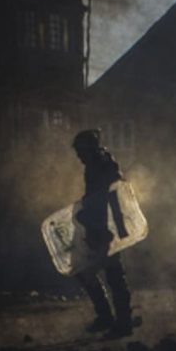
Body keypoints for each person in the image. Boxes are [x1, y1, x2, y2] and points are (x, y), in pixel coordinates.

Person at [69, 128, 135, 339]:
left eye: (80, 152)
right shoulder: (100, 164)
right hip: (102, 227)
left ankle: (119, 322)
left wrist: (94, 221)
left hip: (104, 229)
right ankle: (114, 319)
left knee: (106, 273)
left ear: (88, 149)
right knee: (98, 272)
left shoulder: (100, 167)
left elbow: (111, 198)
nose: (78, 157)